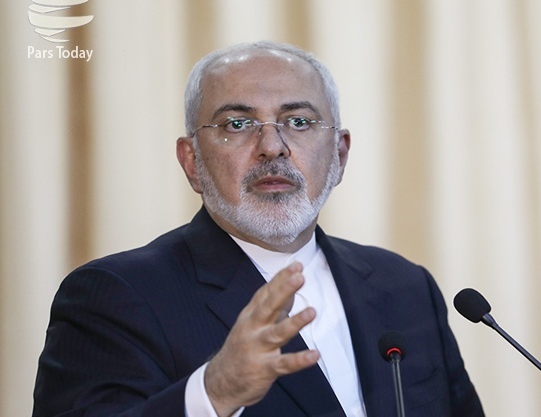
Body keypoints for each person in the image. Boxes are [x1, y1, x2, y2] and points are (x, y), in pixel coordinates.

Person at [33, 41, 484, 416]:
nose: (272, 147)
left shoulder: (404, 286)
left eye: (299, 122)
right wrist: (213, 394)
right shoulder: (116, 296)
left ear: (340, 154)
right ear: (192, 162)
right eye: (238, 124)